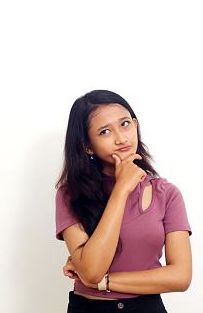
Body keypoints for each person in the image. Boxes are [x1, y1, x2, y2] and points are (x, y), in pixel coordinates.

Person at [55, 90, 192, 313]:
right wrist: (121, 189)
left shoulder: (167, 194)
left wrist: (103, 283)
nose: (120, 138)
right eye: (105, 131)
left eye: (125, 124)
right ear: (87, 145)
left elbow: (180, 276)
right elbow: (92, 270)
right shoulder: (70, 195)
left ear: (135, 125)